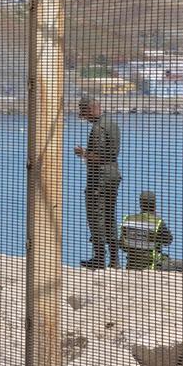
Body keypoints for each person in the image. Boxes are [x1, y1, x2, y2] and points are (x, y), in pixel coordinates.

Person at [74, 95, 121, 268]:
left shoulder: (98, 128)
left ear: (90, 109)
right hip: (112, 175)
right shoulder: (112, 124)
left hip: (100, 178)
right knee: (110, 216)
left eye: (83, 112)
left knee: (96, 217)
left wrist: (83, 153)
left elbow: (103, 156)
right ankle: (114, 260)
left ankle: (100, 258)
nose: (82, 116)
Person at [120, 191, 183, 272]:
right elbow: (168, 241)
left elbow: (122, 246)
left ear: (140, 204)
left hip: (131, 266)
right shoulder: (157, 222)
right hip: (153, 266)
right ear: (154, 204)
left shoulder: (128, 220)